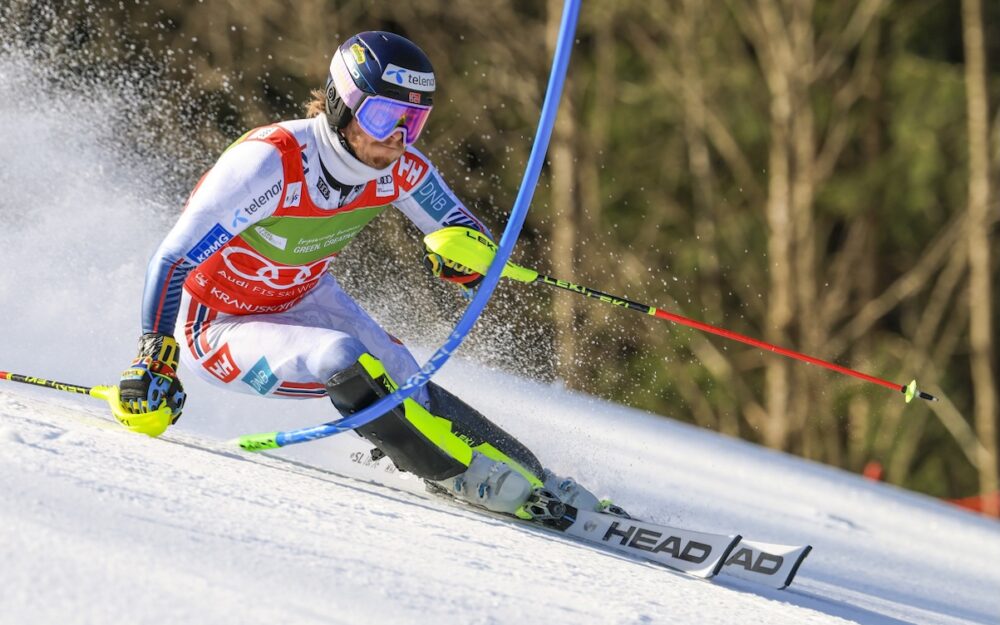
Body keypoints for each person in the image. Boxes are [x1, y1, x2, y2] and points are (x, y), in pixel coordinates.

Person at [115, 31, 616, 521]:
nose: (397, 137)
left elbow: (465, 234)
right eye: (382, 117)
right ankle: (452, 473)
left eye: (413, 121)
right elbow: (173, 259)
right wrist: (154, 356)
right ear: (340, 103)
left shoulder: (400, 168)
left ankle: (534, 476)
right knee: (343, 357)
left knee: (400, 369)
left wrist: (467, 261)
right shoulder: (271, 163)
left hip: (302, 297)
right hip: (216, 326)